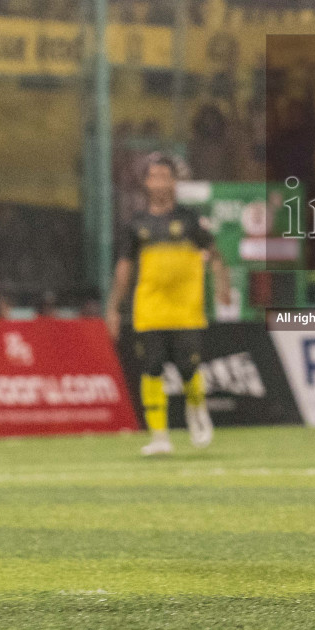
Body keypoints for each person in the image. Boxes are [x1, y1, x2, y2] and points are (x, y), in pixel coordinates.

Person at [106, 153, 232, 457]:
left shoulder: (190, 219)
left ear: (174, 181)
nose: (161, 182)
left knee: (189, 368)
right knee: (151, 368)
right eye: (155, 176)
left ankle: (196, 407)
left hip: (186, 309)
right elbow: (124, 267)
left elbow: (214, 254)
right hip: (149, 308)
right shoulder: (136, 225)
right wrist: (113, 306)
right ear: (146, 183)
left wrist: (222, 285)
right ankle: (159, 436)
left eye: (166, 176)